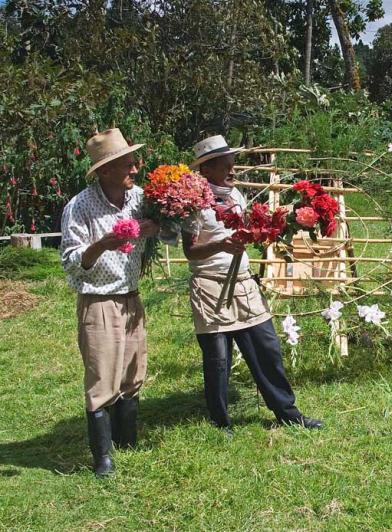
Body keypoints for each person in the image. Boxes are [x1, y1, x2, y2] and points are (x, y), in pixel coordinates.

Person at [182, 135, 322, 432]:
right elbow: (190, 251)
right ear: (206, 170)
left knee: (266, 347)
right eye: (226, 166)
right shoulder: (193, 204)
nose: (233, 172)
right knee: (219, 357)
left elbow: (244, 232)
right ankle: (220, 422)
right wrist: (222, 245)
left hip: (243, 283)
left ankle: (288, 413)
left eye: (233, 166)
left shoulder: (237, 197)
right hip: (210, 285)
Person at [60, 128, 159, 476]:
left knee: (133, 371)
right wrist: (103, 243)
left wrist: (156, 226)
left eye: (133, 163)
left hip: (131, 297)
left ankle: (126, 441)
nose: (134, 169)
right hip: (99, 300)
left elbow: (172, 227)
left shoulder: (139, 199)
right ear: (105, 171)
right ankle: (102, 457)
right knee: (103, 377)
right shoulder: (80, 206)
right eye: (127, 164)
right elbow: (71, 260)